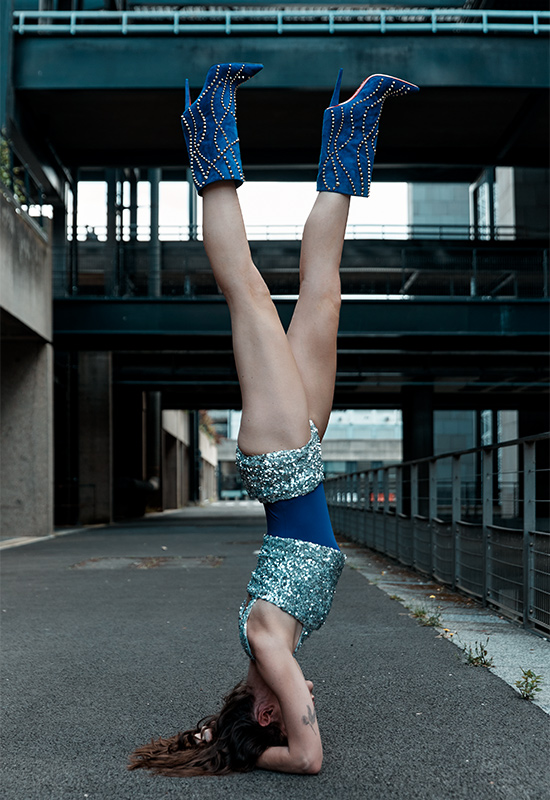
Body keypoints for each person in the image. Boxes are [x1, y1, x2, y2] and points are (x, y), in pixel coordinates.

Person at [128, 63, 418, 777]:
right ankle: (351, 126)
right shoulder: (269, 655)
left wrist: (257, 753)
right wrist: (219, 738)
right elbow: (249, 727)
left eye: (282, 711)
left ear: (268, 713)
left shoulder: (270, 651)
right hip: (302, 457)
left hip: (281, 458)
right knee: (324, 296)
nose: (303, 700)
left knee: (250, 292)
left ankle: (209, 125)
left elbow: (311, 759)